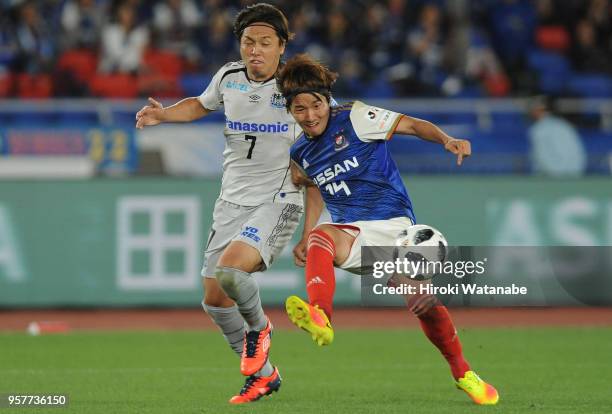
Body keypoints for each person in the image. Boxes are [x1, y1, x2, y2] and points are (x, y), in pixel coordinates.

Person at [276, 53, 500, 406]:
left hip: (394, 227)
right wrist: (306, 233)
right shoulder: (301, 151)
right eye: (299, 109)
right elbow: (313, 184)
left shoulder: (356, 116)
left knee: (422, 303)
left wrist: (446, 140)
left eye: (315, 105)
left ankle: (463, 373)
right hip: (352, 234)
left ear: (326, 99)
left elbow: (411, 125)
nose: (310, 115)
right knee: (322, 236)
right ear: (290, 111)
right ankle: (321, 316)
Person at [136, 3, 317, 404]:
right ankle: (265, 376)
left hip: (278, 197)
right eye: (248, 42)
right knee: (215, 298)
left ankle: (260, 329)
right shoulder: (229, 77)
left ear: (282, 46)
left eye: (264, 43)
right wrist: (163, 115)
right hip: (232, 200)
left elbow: (322, 146)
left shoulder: (299, 86)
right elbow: (201, 105)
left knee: (233, 271)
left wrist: (312, 230)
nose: (254, 50)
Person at [528, 96, 587, 177]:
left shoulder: (539, 129)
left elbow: (543, 158)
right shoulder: (564, 124)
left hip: (555, 179)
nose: (531, 111)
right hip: (574, 175)